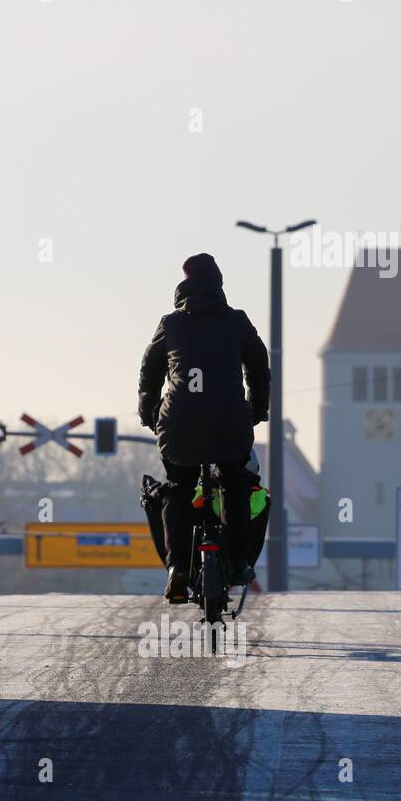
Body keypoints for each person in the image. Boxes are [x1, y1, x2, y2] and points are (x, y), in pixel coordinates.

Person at [137, 253, 271, 603]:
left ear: (182, 285)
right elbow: (259, 367)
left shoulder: (171, 324)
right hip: (229, 424)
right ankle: (239, 561)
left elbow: (149, 374)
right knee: (234, 482)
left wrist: (149, 415)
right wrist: (257, 410)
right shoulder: (237, 321)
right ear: (220, 286)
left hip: (179, 425)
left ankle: (177, 568)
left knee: (180, 488)